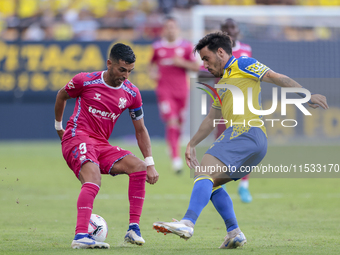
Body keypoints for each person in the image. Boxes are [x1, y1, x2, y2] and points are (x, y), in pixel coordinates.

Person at [153, 32, 328, 249]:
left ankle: (188, 222)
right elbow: (211, 119)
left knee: (204, 172)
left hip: (244, 132)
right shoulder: (222, 83)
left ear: (220, 52)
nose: (205, 65)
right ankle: (234, 232)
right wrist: (192, 144)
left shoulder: (243, 63)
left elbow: (275, 77)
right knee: (211, 184)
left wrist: (306, 94)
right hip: (256, 143)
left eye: (206, 58)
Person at [54, 43, 159, 249]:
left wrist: (150, 163)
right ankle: (80, 236)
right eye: (122, 70)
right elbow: (61, 95)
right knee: (93, 178)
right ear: (109, 63)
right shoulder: (85, 80)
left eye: (130, 71)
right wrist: (59, 127)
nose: (126, 76)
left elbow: (141, 130)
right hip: (77, 137)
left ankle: (133, 229)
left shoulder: (131, 92)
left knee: (138, 167)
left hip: (101, 145)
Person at [198, 18, 253, 203]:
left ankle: (244, 185)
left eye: (233, 27)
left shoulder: (246, 50)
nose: (230, 31)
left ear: (238, 30)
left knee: (246, 144)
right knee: (221, 142)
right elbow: (201, 72)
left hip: (241, 104)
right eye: (226, 29)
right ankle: (221, 182)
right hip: (221, 103)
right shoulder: (214, 52)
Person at [149, 16, 200, 173]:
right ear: (164, 29)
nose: (171, 29)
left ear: (177, 29)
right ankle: (176, 159)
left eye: (173, 26)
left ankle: (172, 147)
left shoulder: (185, 47)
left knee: (178, 122)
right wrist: (152, 75)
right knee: (171, 121)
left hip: (182, 91)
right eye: (168, 27)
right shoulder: (157, 47)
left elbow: (196, 67)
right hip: (164, 91)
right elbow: (150, 65)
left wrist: (182, 63)